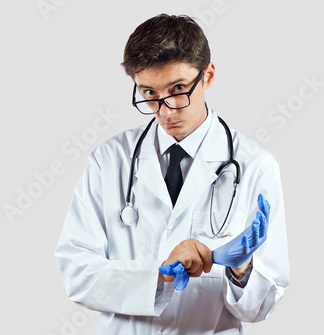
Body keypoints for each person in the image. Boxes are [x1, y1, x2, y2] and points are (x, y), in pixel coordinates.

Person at [54, 14, 289, 335]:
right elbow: (76, 272)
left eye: (178, 89)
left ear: (208, 75)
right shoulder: (109, 159)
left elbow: (261, 306)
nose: (165, 110)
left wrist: (241, 268)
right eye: (149, 93)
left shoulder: (255, 165)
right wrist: (159, 276)